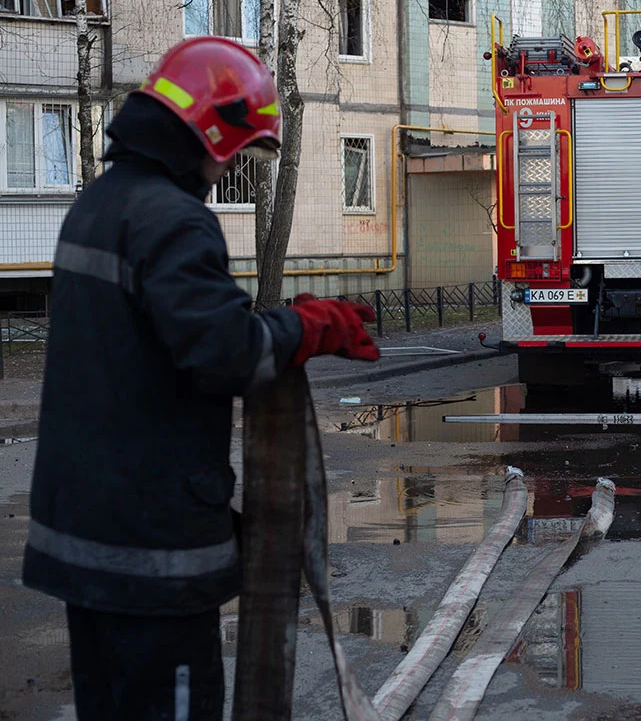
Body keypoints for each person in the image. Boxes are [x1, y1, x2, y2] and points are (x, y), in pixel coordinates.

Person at [21, 37, 379, 721]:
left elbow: (153, 345)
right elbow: (226, 355)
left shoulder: (97, 206)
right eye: (233, 151)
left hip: (83, 541)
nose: (224, 170)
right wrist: (306, 328)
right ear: (212, 129)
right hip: (151, 554)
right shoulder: (173, 219)